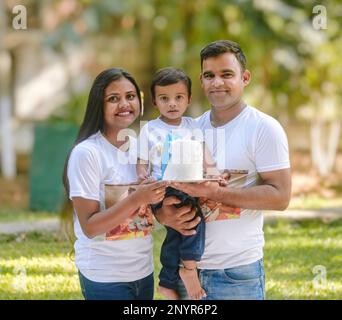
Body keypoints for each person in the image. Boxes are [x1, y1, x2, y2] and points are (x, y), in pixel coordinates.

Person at [155, 40, 292, 300]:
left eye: (226, 74)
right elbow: (166, 185)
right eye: (209, 75)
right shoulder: (189, 129)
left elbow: (280, 196)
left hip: (237, 274)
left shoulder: (264, 128)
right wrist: (164, 214)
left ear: (245, 77)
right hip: (185, 272)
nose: (217, 82)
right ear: (202, 81)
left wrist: (214, 192)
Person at [62, 68, 168, 300]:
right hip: (104, 277)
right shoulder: (87, 153)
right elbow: (90, 227)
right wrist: (137, 197)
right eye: (113, 99)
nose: (124, 104)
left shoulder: (143, 148)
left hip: (143, 272)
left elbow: (150, 210)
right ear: (98, 105)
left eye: (130, 96)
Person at [137, 67, 220, 300]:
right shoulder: (150, 129)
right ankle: (189, 269)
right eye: (164, 98)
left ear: (188, 99)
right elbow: (141, 162)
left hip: (189, 185)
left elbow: (205, 155)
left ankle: (166, 282)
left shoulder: (192, 126)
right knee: (194, 223)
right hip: (164, 188)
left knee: (176, 232)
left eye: (178, 98)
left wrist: (214, 173)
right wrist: (143, 177)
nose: (172, 104)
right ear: (155, 101)